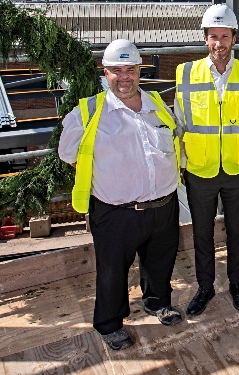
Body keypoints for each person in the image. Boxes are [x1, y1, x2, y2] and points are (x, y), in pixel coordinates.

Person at [58, 39, 181, 350]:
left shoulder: (157, 106)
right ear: (105, 72)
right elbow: (68, 153)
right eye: (117, 71)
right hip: (116, 212)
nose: (124, 77)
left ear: (140, 71)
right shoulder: (88, 111)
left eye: (131, 70)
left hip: (163, 205)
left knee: (160, 263)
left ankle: (157, 303)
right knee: (112, 272)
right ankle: (110, 324)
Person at [174, 4, 239, 317]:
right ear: (205, 38)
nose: (219, 43)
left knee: (238, 230)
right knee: (202, 232)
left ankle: (236, 283)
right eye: (213, 36)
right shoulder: (185, 73)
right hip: (200, 169)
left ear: (234, 39)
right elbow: (180, 123)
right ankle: (205, 286)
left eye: (224, 36)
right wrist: (182, 163)